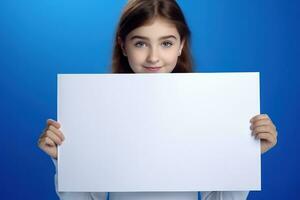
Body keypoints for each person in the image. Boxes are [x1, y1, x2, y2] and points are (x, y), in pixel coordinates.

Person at [37, 0, 278, 199]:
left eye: (166, 43)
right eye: (140, 43)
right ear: (123, 45)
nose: (154, 57)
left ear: (181, 45)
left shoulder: (207, 108)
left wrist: (246, 154)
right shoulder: (96, 110)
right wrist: (64, 159)